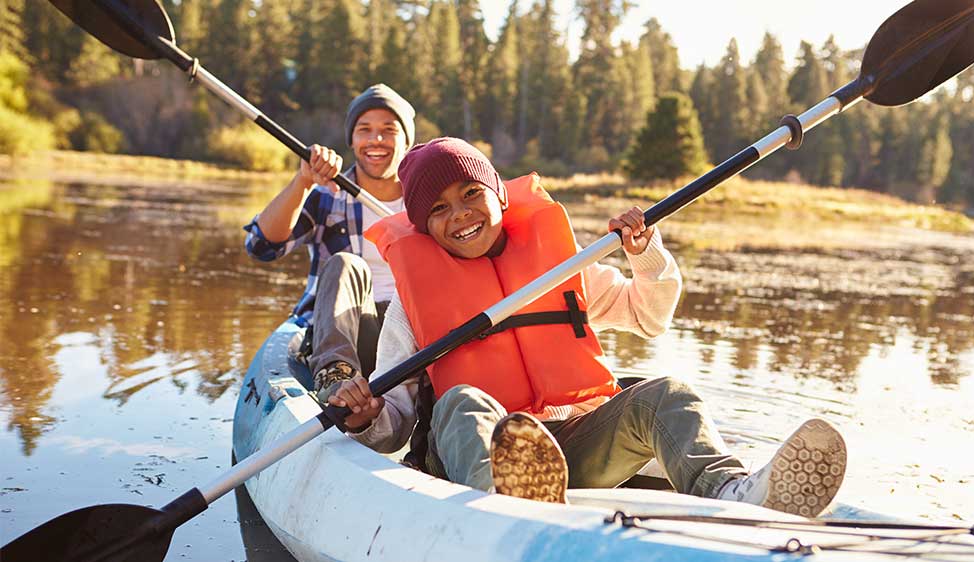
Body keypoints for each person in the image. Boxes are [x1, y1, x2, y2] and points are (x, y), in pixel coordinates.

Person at [329, 137, 847, 517]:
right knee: (461, 398)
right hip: (474, 457)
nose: (460, 214)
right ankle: (501, 507)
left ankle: (732, 493)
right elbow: (392, 424)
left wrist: (644, 255)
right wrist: (367, 414)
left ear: (500, 197)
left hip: (573, 445)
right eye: (439, 210)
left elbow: (649, 315)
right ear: (422, 228)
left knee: (666, 394)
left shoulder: (560, 270)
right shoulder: (410, 308)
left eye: (470, 194)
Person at [243, 84, 415, 402]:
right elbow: (260, 246)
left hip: (411, 336)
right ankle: (336, 377)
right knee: (346, 264)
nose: (376, 140)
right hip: (348, 331)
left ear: (407, 141)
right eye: (365, 130)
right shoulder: (326, 196)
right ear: (351, 139)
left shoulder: (426, 204)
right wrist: (304, 182)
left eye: (388, 130)